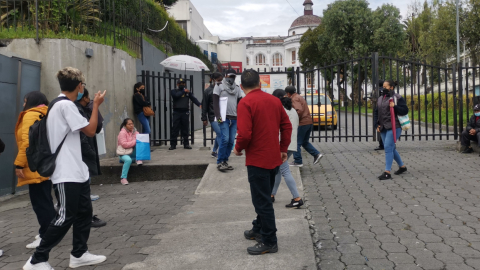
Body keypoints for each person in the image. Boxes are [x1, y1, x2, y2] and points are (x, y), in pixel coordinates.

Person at [23, 67, 107, 270]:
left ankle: (79, 254)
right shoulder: (65, 106)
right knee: (64, 216)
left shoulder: (60, 105)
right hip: (65, 172)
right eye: (83, 86)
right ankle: (37, 260)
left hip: (77, 171)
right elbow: (89, 130)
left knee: (84, 213)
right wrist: (95, 105)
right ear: (79, 86)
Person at [234, 69, 292, 255]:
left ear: (242, 87)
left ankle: (269, 240)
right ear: (260, 84)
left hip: (257, 160)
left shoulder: (245, 103)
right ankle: (258, 227)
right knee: (264, 196)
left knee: (262, 202)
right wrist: (283, 148)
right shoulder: (275, 101)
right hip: (273, 157)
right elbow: (286, 125)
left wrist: (237, 148)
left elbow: (244, 134)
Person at [14, 92, 56, 249]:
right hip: (44, 162)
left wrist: (19, 164)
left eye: (25, 101)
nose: (24, 105)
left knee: (40, 203)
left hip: (34, 164)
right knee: (45, 200)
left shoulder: (30, 115)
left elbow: (27, 142)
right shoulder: (47, 113)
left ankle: (47, 235)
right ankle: (49, 231)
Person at [75, 88, 106, 228]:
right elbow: (89, 132)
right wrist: (90, 153)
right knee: (82, 190)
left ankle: (84, 216)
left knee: (84, 189)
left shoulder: (83, 109)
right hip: (81, 156)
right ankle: (85, 217)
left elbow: (97, 127)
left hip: (84, 155)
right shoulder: (74, 109)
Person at [270, 89, 303, 208]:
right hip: (292, 144)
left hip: (283, 145)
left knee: (284, 171)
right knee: (278, 170)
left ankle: (297, 198)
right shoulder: (292, 110)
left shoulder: (280, 110)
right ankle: (272, 195)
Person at [375, 80, 408, 180]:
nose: (383, 89)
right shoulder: (380, 98)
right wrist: (376, 124)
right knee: (391, 148)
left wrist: (395, 106)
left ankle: (387, 172)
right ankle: (402, 167)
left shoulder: (397, 97)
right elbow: (377, 112)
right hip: (383, 126)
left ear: (391, 87)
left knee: (388, 147)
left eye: (385, 87)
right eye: (382, 87)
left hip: (395, 126)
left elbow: (405, 110)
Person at [285, 86, 322, 167]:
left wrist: (295, 119)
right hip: (308, 122)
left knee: (296, 142)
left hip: (302, 123)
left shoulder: (294, 99)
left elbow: (299, 110)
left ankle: (298, 161)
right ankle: (316, 154)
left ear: (288, 93)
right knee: (304, 142)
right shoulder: (299, 97)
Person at [214, 68, 243, 171]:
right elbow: (215, 103)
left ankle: (225, 161)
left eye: (233, 77)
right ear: (225, 75)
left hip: (234, 118)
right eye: (230, 76)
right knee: (224, 139)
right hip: (223, 118)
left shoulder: (237, 88)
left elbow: (240, 103)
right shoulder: (219, 86)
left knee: (231, 141)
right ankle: (220, 161)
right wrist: (218, 117)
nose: (231, 78)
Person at [169, 78, 201, 150]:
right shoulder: (174, 91)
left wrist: (199, 104)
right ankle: (173, 145)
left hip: (185, 112)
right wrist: (183, 91)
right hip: (176, 112)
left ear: (185, 84)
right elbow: (176, 96)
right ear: (177, 84)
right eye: (180, 83)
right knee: (175, 129)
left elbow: (193, 99)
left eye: (183, 83)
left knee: (185, 129)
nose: (181, 85)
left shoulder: (188, 92)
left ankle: (186, 144)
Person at [202, 72, 223, 158]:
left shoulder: (222, 89)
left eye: (221, 80)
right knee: (220, 133)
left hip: (220, 116)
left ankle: (214, 151)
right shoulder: (208, 91)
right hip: (213, 116)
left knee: (220, 134)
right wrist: (204, 118)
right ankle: (220, 152)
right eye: (219, 80)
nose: (220, 82)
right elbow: (204, 105)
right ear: (213, 80)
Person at [117, 118, 141, 185]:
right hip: (123, 152)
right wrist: (134, 141)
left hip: (131, 151)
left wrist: (136, 141)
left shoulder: (135, 131)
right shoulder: (122, 133)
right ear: (125, 125)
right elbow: (124, 145)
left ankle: (138, 158)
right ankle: (123, 178)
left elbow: (139, 140)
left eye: (132, 124)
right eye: (129, 124)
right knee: (128, 160)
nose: (131, 125)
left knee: (140, 144)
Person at [373, 80, 385, 151]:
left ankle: (381, 144)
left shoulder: (376, 91)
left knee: (380, 127)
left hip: (379, 110)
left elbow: (374, 99)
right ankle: (390, 143)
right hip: (387, 110)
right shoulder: (386, 90)